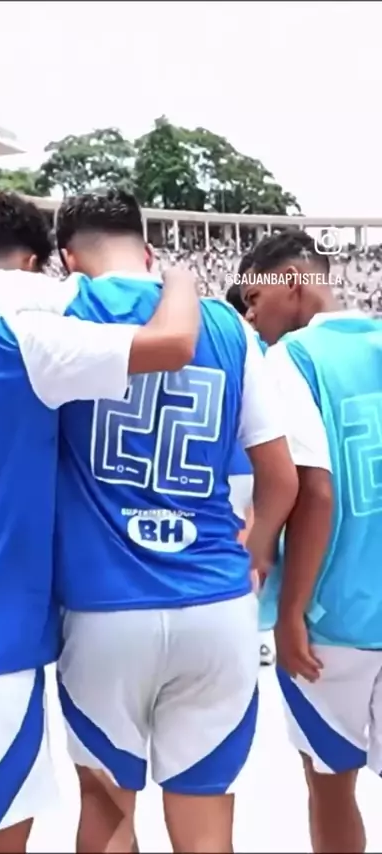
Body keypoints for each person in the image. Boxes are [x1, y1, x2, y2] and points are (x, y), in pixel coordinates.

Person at [0, 189, 298, 854]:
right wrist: (257, 550)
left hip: (101, 605)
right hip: (214, 599)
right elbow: (281, 478)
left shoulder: (58, 307)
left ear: (65, 257)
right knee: (206, 823)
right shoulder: (223, 327)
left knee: (107, 809)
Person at [243, 228, 382, 854]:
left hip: (334, 620)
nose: (251, 315)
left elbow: (315, 491)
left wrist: (292, 610)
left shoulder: (292, 358)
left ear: (293, 284)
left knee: (330, 786)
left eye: (254, 297)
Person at [226, 271, 274, 667]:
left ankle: (248, 632)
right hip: (259, 462)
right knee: (256, 546)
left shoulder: (224, 343)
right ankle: (258, 632)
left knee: (237, 547)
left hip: (228, 463)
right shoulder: (266, 349)